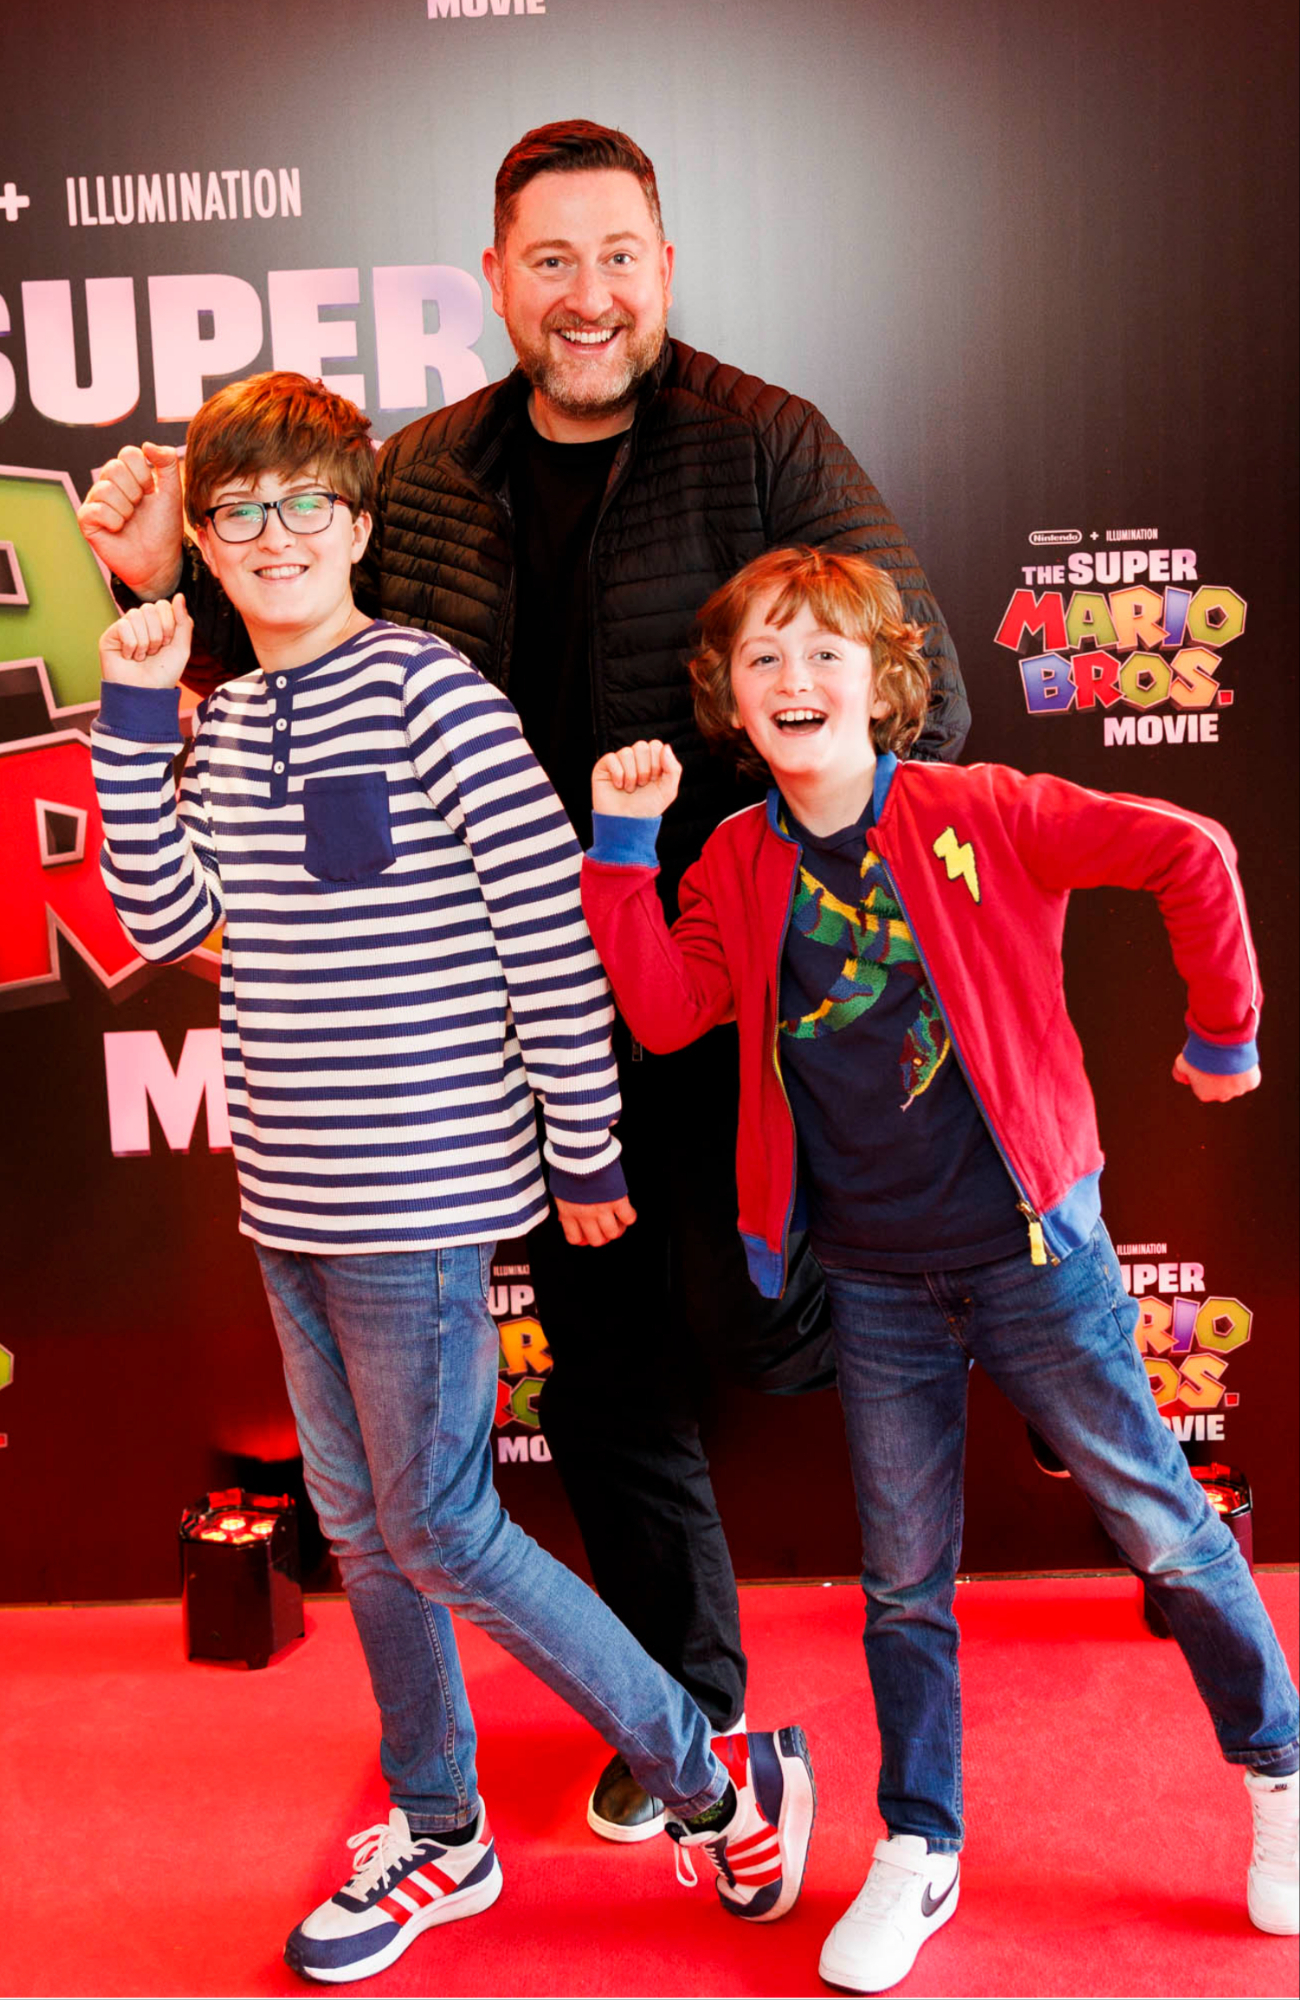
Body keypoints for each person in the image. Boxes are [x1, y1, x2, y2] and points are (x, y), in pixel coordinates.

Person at [76, 118, 969, 1842]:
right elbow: (287, 622)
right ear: (494, 278)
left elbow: (916, 688)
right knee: (609, 1368)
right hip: (505, 1008)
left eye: (617, 256)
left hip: (718, 984)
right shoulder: (423, 468)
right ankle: (694, 1706)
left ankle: (847, 1698)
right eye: (550, 260)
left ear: (666, 266)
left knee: (764, 1318)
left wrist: (772, 896)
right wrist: (164, 566)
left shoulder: (765, 440)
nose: (587, 294)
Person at [87, 371, 817, 1984]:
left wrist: (585, 1145)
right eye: (238, 512)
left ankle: (714, 1777)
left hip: (417, 1189)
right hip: (288, 1192)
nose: (274, 536)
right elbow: (162, 919)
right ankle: (442, 1830)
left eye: (306, 505)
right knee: (363, 1526)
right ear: (205, 539)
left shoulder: (434, 693)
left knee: (436, 1524)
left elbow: (546, 933)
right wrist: (133, 716)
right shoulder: (224, 718)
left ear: (359, 523)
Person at [579, 545, 1299, 1991]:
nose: (795, 679)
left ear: (884, 679)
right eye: (764, 658)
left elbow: (1191, 849)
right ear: (729, 698)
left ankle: (1280, 1773)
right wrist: (621, 847)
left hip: (1038, 1257)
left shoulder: (981, 809)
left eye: (825, 652)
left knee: (1164, 1528)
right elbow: (663, 1014)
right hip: (876, 1281)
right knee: (904, 1584)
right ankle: (921, 1841)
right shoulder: (735, 858)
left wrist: (1225, 1028)